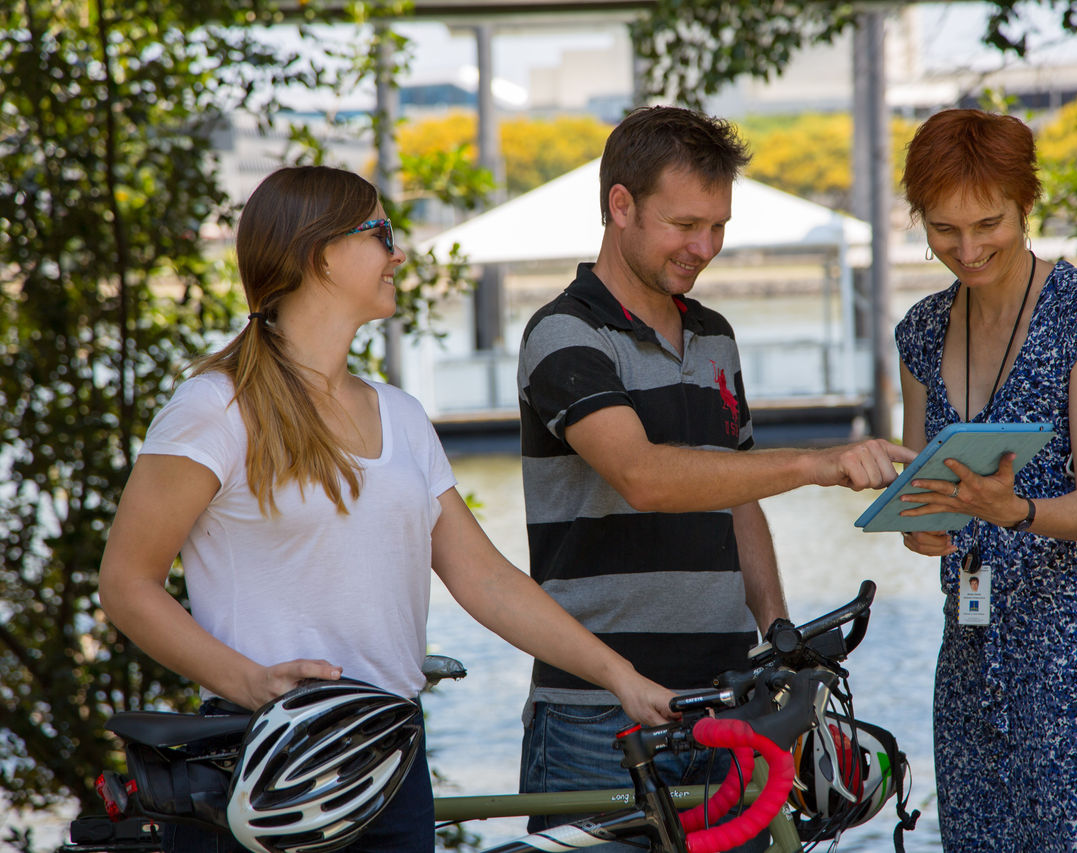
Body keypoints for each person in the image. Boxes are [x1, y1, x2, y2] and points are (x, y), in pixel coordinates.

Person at [97, 165, 676, 853]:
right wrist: (248, 681)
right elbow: (126, 584)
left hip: (391, 762)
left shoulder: (401, 416)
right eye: (381, 233)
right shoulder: (214, 409)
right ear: (321, 255)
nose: (398, 253)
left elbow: (485, 580)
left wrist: (621, 678)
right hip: (267, 766)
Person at [515, 105, 914, 844]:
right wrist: (815, 463)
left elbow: (738, 499)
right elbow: (644, 477)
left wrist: (780, 635)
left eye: (719, 226)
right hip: (593, 716)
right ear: (621, 205)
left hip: (728, 707)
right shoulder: (562, 333)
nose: (704, 247)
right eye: (684, 223)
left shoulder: (715, 336)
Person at [893, 109, 1077, 850]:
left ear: (1025, 206)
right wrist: (920, 521)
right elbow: (932, 496)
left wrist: (1014, 510)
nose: (969, 248)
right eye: (945, 230)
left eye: (990, 223)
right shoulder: (921, 329)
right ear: (918, 216)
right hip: (973, 650)